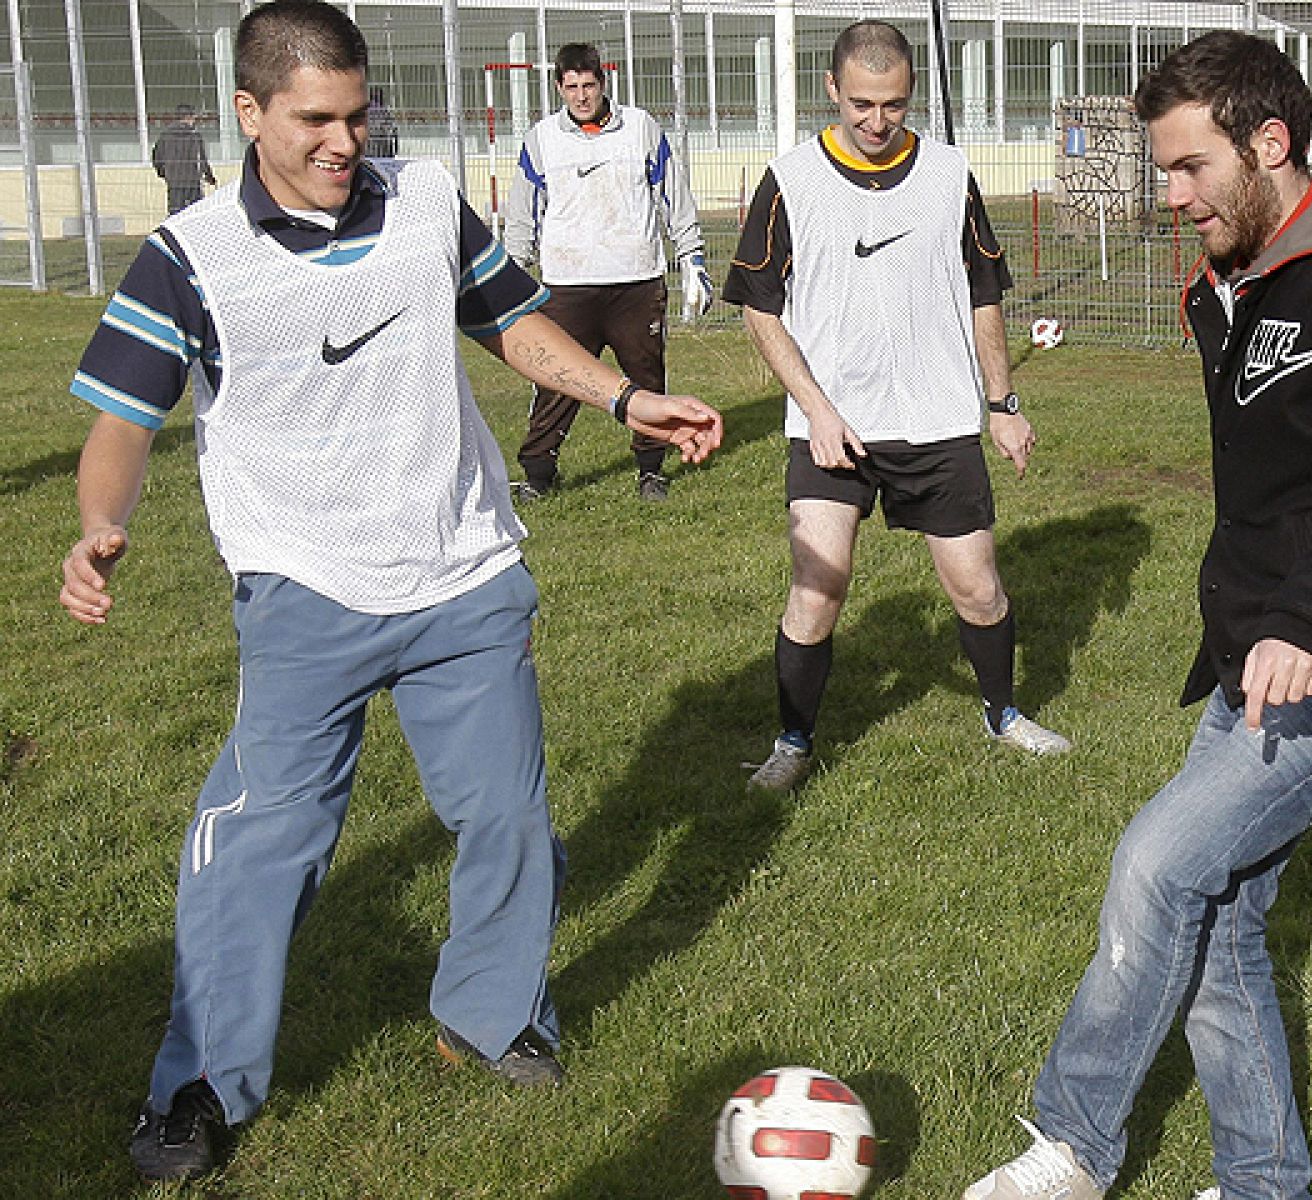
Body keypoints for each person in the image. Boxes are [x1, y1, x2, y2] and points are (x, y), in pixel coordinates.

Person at [59, 0, 721, 1183]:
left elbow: (511, 322)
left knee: (508, 821)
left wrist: (625, 399)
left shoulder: (421, 201)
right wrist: (100, 525)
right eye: (315, 118)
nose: (342, 141)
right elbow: (122, 417)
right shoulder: (192, 252)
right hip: (305, 589)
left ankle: (493, 1012)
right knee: (266, 849)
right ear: (250, 112)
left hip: (464, 571)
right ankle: (199, 1085)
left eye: (357, 115)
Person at [965, 31, 1312, 1200]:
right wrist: (1256, 625)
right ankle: (1263, 1182)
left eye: (1190, 167)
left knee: (1156, 866)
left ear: (1270, 144)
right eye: (1162, 168)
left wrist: (1304, 617)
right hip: (1269, 649)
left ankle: (1075, 1144)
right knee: (1222, 912)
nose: (1169, 193)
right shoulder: (1230, 286)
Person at [724, 20, 1070, 796]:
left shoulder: (950, 174)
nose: (878, 123)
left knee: (978, 587)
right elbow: (757, 306)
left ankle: (1004, 714)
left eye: (894, 105)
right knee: (818, 589)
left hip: (938, 419)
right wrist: (814, 407)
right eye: (861, 106)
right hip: (831, 426)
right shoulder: (790, 179)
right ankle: (792, 742)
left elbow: (985, 295)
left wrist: (1002, 403)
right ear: (831, 92)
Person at [502, 42, 716, 503]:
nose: (581, 96)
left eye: (589, 85)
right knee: (556, 380)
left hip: (636, 282)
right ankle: (538, 474)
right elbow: (523, 215)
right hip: (567, 286)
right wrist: (511, 273)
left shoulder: (639, 128)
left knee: (646, 378)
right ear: (559, 87)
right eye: (572, 87)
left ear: (604, 83)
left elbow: (673, 196)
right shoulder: (542, 139)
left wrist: (692, 257)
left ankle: (650, 471)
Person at [151, 103, 216, 214]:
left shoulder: (165, 136)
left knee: (175, 214)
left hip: (174, 181)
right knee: (196, 213)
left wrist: (163, 173)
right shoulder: (195, 135)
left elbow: (156, 157)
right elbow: (202, 159)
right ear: (189, 117)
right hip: (193, 181)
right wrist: (210, 176)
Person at [366, 85, 399, 156]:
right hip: (381, 145)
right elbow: (391, 128)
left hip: (368, 145)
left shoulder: (365, 110)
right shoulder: (384, 110)